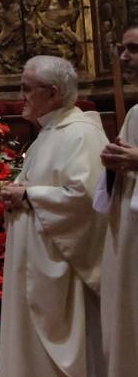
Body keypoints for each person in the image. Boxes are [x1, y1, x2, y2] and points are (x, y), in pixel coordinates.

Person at [0, 55, 107, 377]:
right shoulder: (50, 132)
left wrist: (29, 195)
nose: (21, 96)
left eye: (27, 88)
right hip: (35, 261)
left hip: (58, 269)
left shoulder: (80, 134)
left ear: (54, 93)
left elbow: (87, 199)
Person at [96, 23, 138, 377]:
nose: (124, 58)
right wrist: (112, 165)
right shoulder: (136, 115)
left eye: (134, 49)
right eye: (123, 49)